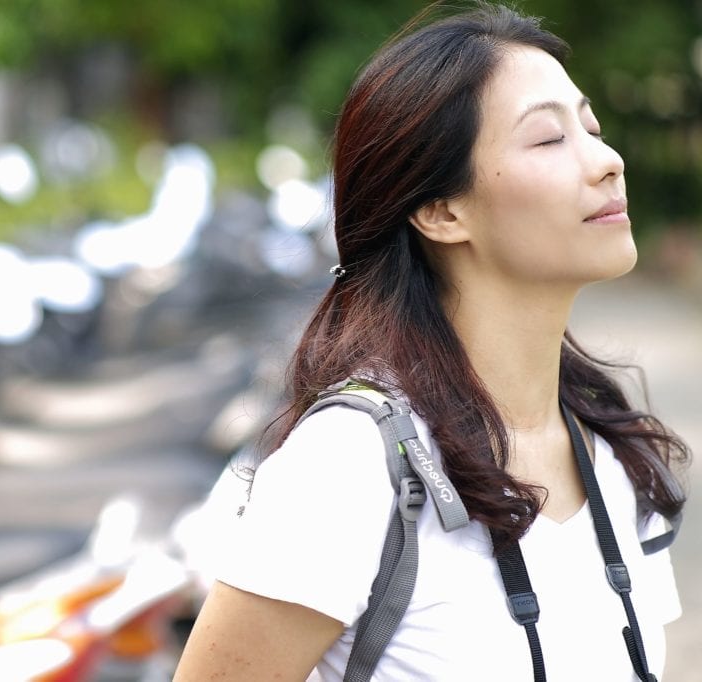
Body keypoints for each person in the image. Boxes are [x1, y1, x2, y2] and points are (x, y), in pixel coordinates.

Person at [173, 3, 690, 681]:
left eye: (591, 127)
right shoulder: (349, 468)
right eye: (548, 139)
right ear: (441, 211)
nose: (606, 161)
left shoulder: (612, 455)